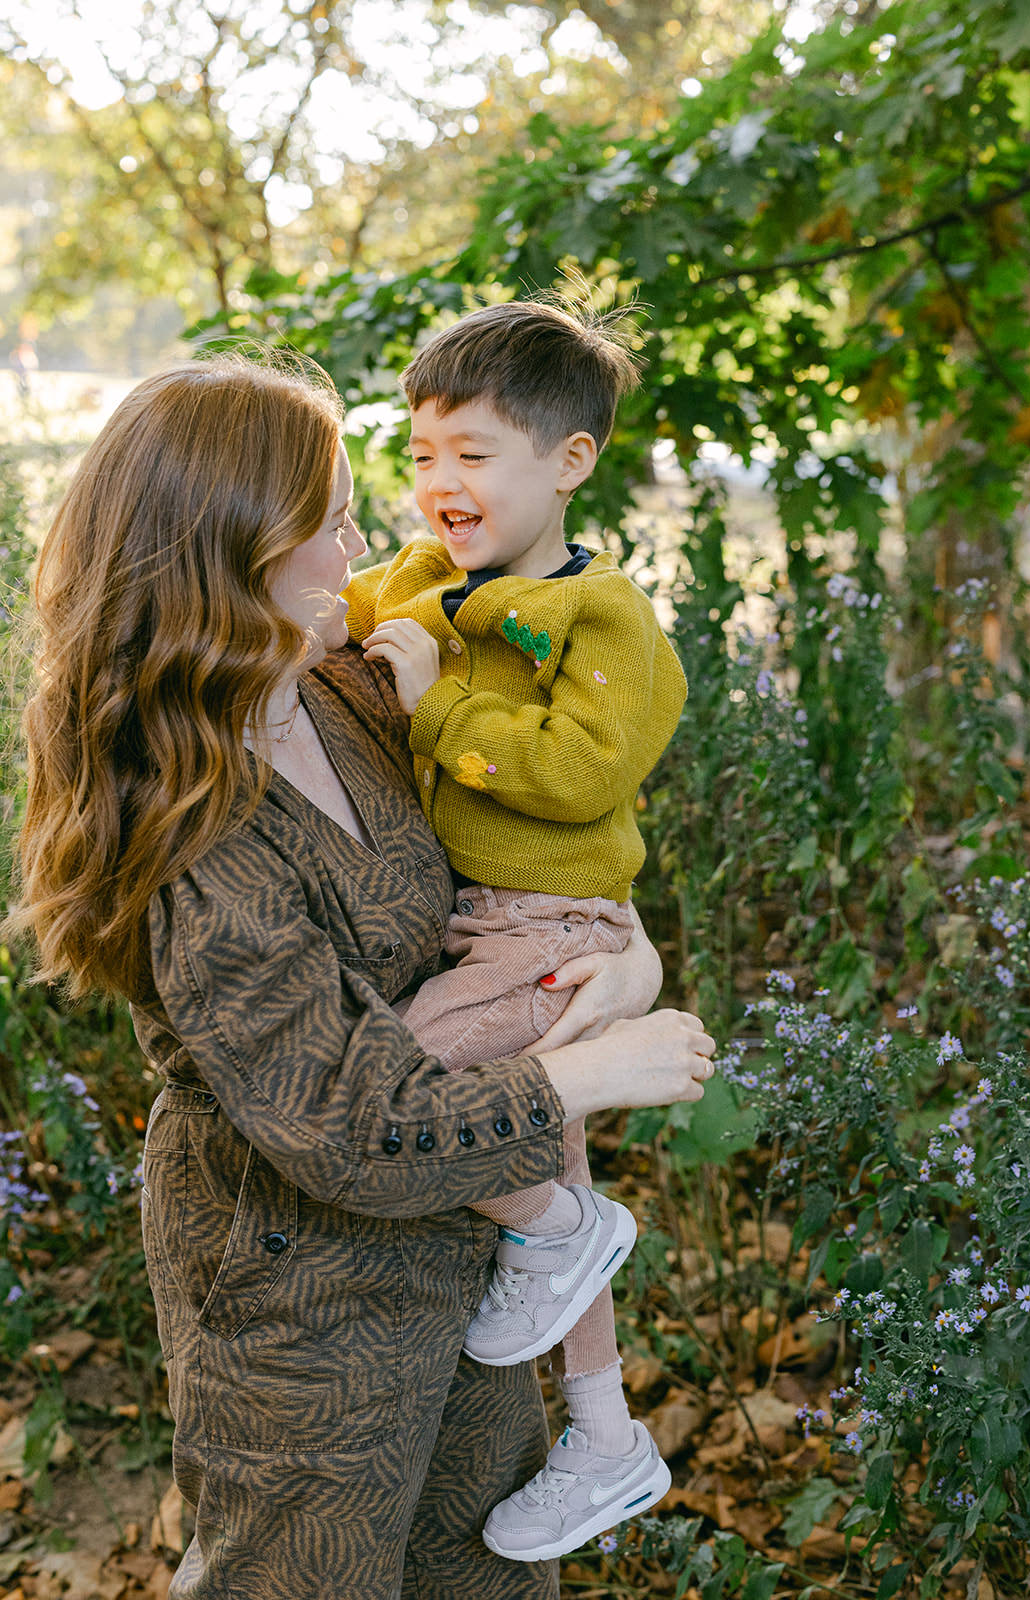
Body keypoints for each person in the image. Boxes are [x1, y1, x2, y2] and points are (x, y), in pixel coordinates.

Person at [6, 351, 716, 1600]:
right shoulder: (191, 834)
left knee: (480, 1568)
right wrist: (585, 1074)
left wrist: (625, 952)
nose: (363, 550)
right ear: (230, 558)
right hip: (303, 1305)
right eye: (329, 527)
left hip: (476, 1265)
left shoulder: (347, 693)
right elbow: (348, 1123)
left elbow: (514, 867)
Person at [343, 298, 688, 1562]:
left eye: (474, 456)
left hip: (547, 925)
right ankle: (603, 1435)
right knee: (558, 1149)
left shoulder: (605, 621)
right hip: (473, 917)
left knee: (414, 1077)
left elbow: (585, 772)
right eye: (422, 454)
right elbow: (336, 618)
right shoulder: (433, 577)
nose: (440, 483)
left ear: (569, 462)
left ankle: (546, 1228)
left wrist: (434, 715)